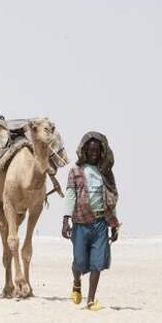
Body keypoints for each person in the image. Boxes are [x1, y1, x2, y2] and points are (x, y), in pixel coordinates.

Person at [62, 132, 120, 311]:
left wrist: (114, 225)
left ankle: (91, 300)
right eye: (91, 150)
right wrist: (66, 220)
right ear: (84, 151)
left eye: (97, 151)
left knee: (97, 262)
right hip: (80, 222)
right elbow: (70, 196)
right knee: (79, 261)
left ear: (102, 153)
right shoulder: (76, 172)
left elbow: (111, 200)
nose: (94, 154)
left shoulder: (106, 174)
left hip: (101, 223)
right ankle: (77, 283)